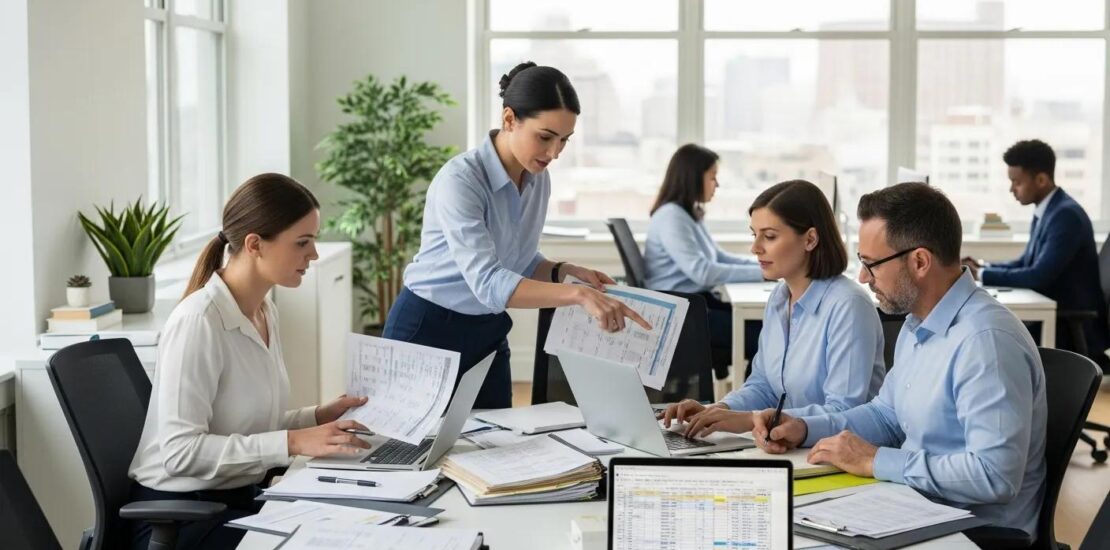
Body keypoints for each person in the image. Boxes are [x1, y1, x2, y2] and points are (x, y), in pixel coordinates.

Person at [753, 183, 1047, 538]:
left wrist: (876, 460)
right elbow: (886, 416)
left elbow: (994, 475)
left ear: (919, 262)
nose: (863, 277)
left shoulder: (986, 343)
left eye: (871, 264)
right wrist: (803, 427)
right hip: (916, 507)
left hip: (975, 533)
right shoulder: (917, 323)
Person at [128, 174, 373, 549]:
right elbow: (181, 453)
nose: (313, 254)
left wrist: (316, 417)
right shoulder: (199, 321)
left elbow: (246, 426)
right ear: (255, 244)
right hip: (183, 518)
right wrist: (293, 442)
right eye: (302, 242)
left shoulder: (263, 311)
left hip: (237, 499)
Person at [385, 62, 650, 409]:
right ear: (509, 119)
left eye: (564, 140)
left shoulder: (537, 179)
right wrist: (577, 295)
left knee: (499, 439)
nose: (554, 153)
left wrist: (563, 271)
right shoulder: (461, 181)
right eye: (545, 137)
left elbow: (519, 260)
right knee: (418, 442)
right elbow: (489, 282)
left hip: (487, 330)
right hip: (428, 328)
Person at [661, 179, 885, 438]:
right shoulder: (780, 297)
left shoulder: (849, 306)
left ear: (810, 239)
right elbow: (764, 385)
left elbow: (843, 410)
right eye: (754, 235)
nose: (755, 248)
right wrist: (718, 410)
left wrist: (750, 420)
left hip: (837, 449)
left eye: (769, 236)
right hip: (786, 444)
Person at [963, 139, 1108, 364]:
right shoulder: (1048, 209)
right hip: (1057, 314)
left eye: (1017, 182)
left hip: (1069, 324)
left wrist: (981, 274)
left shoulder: (1066, 216)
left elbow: (1038, 275)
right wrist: (983, 266)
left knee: (989, 335)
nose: (1012, 189)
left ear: (1041, 180)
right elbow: (1026, 262)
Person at [644, 143, 763, 365]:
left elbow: (718, 257)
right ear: (693, 178)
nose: (717, 184)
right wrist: (763, 273)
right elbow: (703, 272)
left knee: (770, 330)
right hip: (684, 315)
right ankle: (755, 389)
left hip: (697, 304)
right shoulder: (671, 217)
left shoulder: (687, 213)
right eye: (712, 177)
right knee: (766, 339)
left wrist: (765, 266)